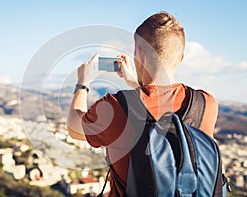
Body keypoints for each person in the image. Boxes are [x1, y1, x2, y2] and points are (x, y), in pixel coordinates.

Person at [67, 12, 218, 196]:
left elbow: (74, 127)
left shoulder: (116, 106)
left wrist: (83, 82)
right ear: (181, 57)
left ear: (138, 53)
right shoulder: (206, 104)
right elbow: (159, 105)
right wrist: (138, 85)